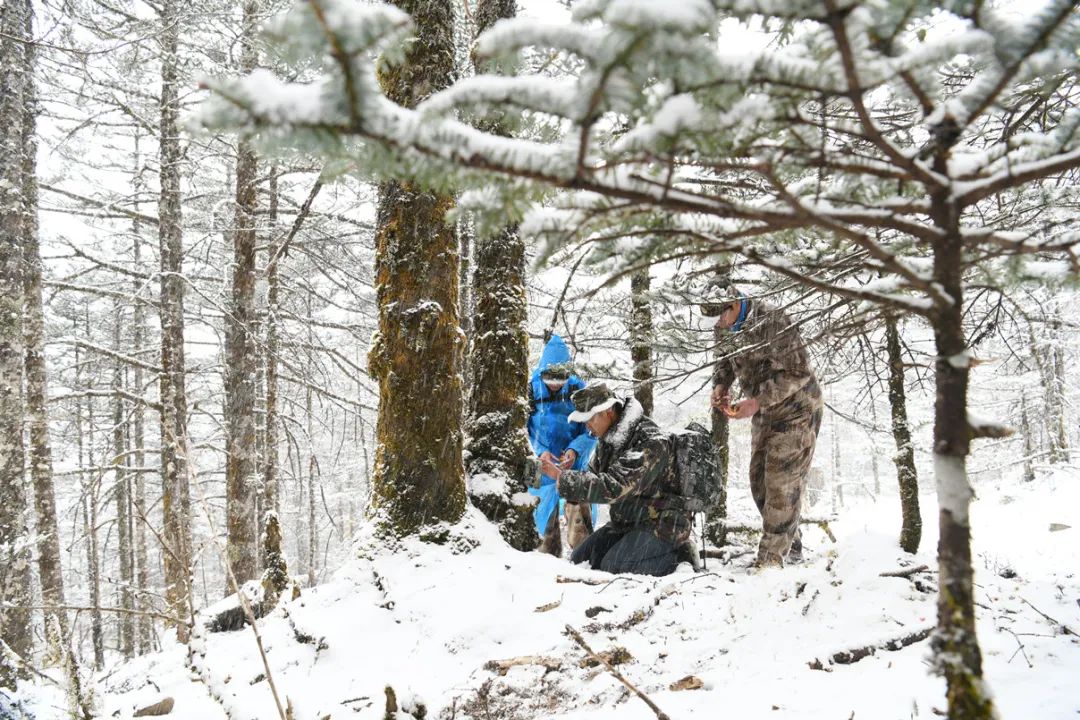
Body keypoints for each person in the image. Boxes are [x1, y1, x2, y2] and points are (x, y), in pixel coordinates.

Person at [704, 281, 823, 568]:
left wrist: (756, 401)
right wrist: (721, 386)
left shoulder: (772, 320)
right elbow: (723, 361)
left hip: (797, 408)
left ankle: (770, 563)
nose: (718, 324)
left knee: (781, 483)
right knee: (759, 481)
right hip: (765, 412)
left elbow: (799, 371)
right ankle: (790, 546)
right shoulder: (722, 326)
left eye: (721, 316)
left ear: (733, 305)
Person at [540, 383, 691, 577]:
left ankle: (681, 555)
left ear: (609, 411)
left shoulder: (650, 440)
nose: (587, 425)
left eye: (590, 419)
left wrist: (560, 477)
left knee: (614, 566)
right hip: (626, 523)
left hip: (662, 527)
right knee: (581, 559)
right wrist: (565, 470)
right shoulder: (609, 441)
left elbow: (614, 487)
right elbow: (594, 477)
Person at [526, 335, 597, 553]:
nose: (555, 384)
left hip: (572, 461)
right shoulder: (529, 390)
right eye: (550, 378)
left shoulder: (580, 392)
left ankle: (583, 555)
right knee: (537, 506)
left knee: (579, 500)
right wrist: (540, 452)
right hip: (538, 460)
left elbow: (592, 430)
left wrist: (575, 450)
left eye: (561, 378)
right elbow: (522, 430)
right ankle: (545, 552)